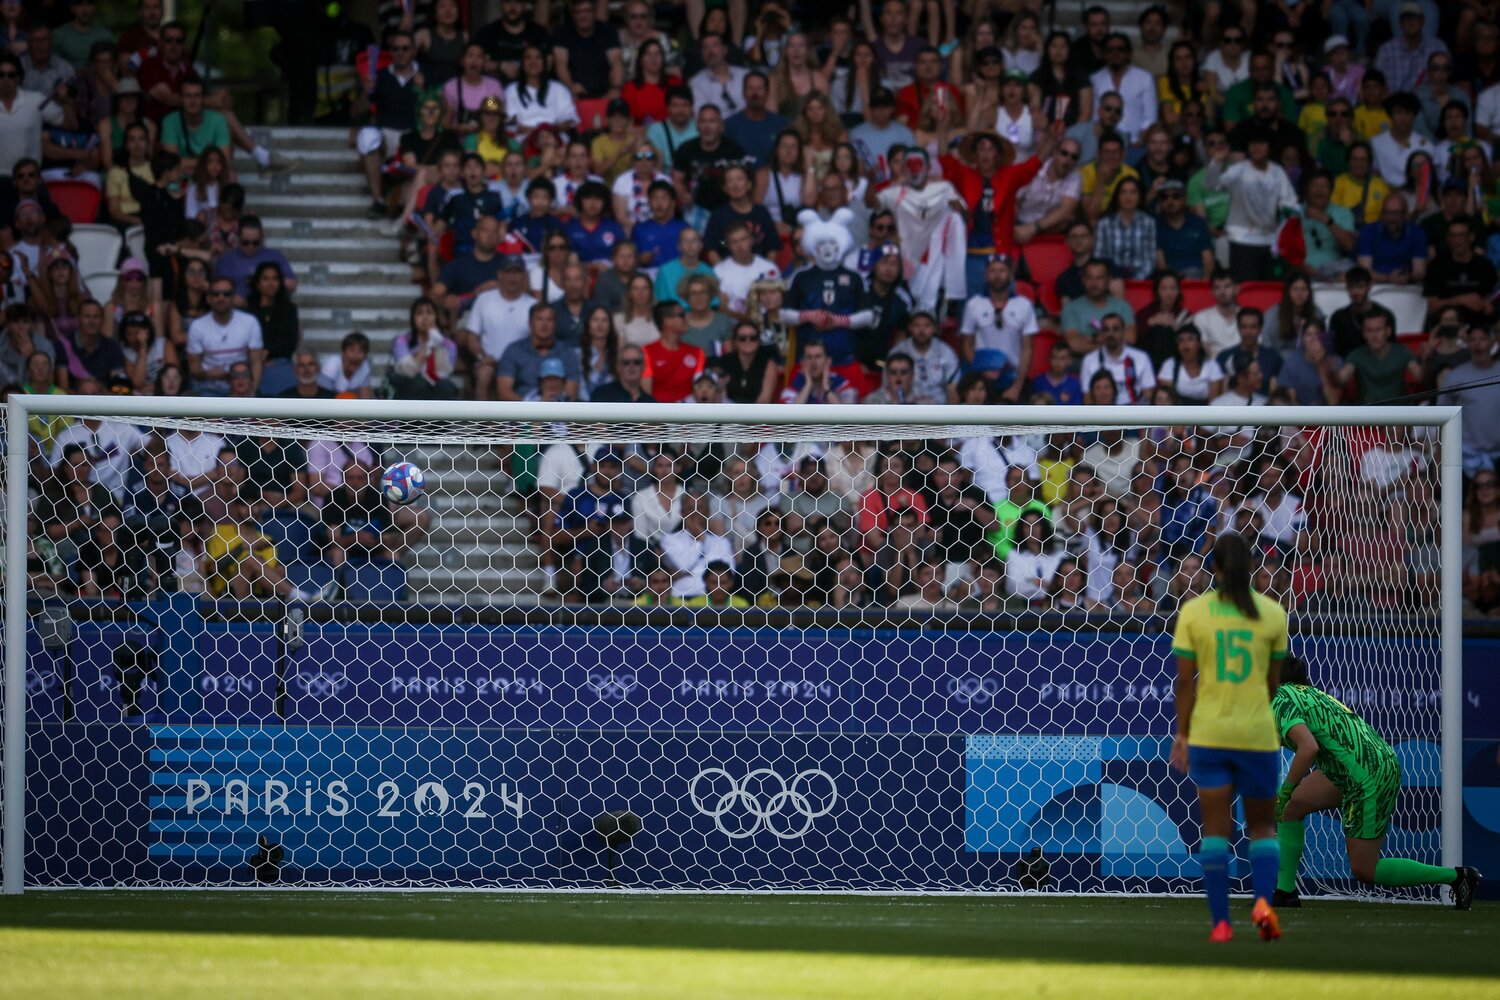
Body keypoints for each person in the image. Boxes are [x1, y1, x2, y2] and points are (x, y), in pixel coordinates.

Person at [1271, 655, 1482, 909]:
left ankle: (1459, 877)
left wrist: (1286, 788)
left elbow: (1308, 748)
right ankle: (1285, 893)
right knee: (1292, 808)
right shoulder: (1305, 693)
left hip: (1367, 774)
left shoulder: (1280, 699)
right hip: (1353, 766)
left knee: (1364, 870)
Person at [1169, 531, 1289, 943]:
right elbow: (1275, 684)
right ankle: (1262, 904)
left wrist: (1181, 734)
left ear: (1214, 568)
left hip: (1211, 734)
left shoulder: (1194, 612)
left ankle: (1221, 923)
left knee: (1216, 830)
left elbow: (1185, 683)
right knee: (1263, 828)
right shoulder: (1273, 614)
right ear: (1252, 566)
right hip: (1257, 735)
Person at [958, 254, 1036, 401]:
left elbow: (1027, 349)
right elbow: (966, 344)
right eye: (993, 271)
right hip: (983, 379)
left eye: (1002, 270)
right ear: (986, 274)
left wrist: (1017, 386)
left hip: (1013, 377)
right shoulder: (974, 305)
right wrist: (981, 368)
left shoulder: (1024, 305)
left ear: (1011, 274)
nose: (997, 275)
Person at [188, 277, 264, 396]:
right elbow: (193, 367)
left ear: (234, 297)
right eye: (216, 294)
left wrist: (252, 391)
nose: (221, 298)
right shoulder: (197, 326)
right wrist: (209, 374)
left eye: (226, 294)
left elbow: (256, 362)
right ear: (209, 298)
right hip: (208, 389)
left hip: (242, 390)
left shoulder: (250, 322)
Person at [552, 0, 623, 103]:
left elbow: (616, 62)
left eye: (587, 11)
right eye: (578, 12)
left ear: (594, 12)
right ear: (572, 14)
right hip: (572, 94)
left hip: (604, 93)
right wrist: (571, 86)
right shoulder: (562, 33)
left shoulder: (608, 32)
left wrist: (615, 89)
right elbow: (560, 64)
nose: (583, 16)